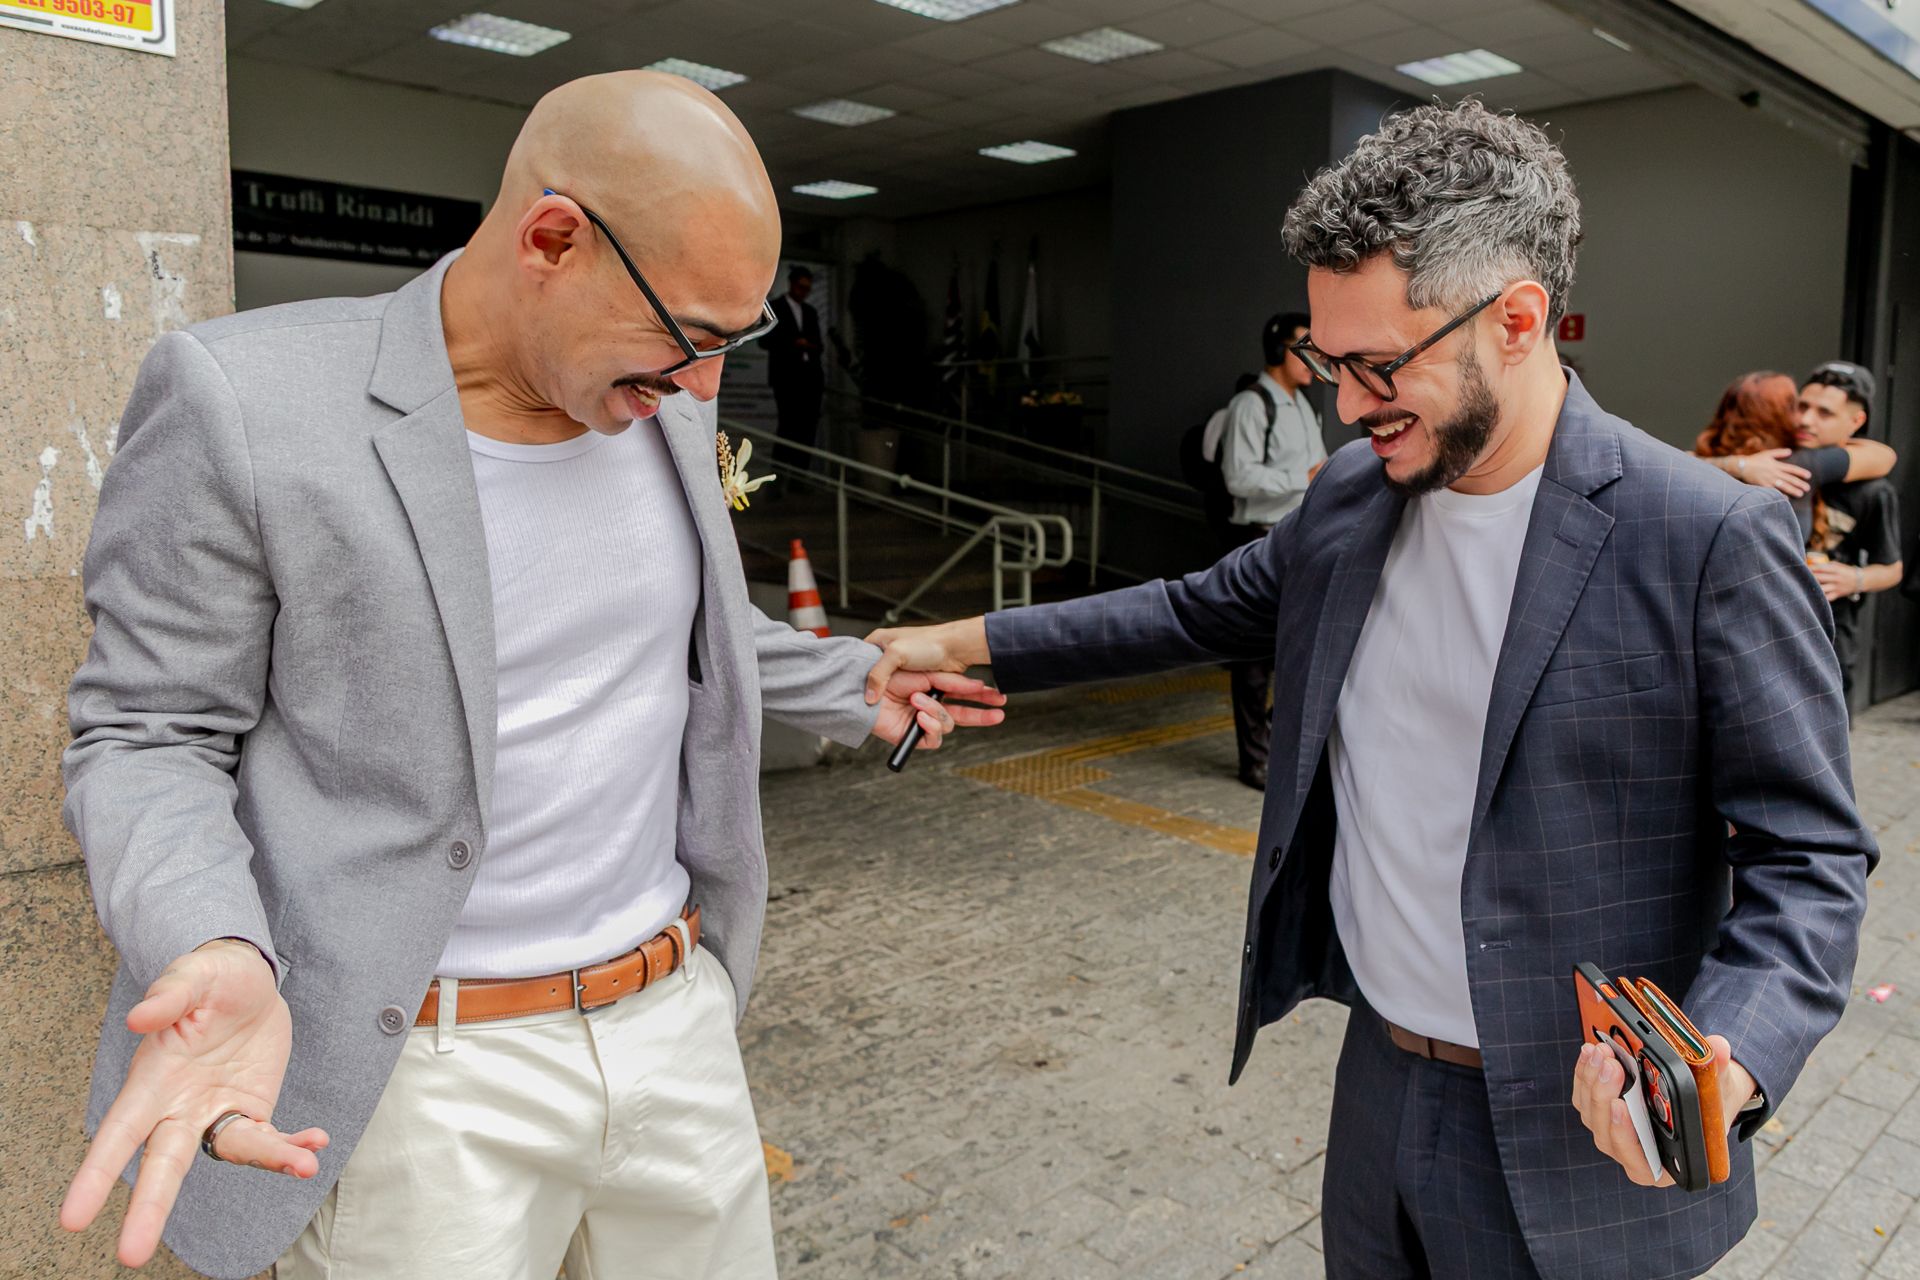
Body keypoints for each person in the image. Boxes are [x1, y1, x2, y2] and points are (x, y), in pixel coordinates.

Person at [863, 100, 1875, 1279]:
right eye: (1329, 359)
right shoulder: (1354, 496)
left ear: (1517, 320)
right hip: (1379, 1092)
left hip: (1583, 1149)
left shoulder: (1703, 536)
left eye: (1377, 364)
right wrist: (958, 641)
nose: (1344, 402)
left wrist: (1725, 1058)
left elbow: (1812, 855)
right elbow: (1189, 610)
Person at [56, 72, 1004, 1280]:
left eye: (737, 340)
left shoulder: (650, 398)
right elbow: (147, 729)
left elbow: (671, 629)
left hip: (674, 1023)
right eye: (691, 335)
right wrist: (210, 937)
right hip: (423, 1076)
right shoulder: (245, 400)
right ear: (553, 239)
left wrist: (849, 679)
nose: (706, 386)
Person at [1216, 311, 1327, 790]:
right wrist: (1301, 479)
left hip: (1299, 538)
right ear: (1279, 349)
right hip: (1257, 539)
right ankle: (1254, 760)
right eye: (1306, 348)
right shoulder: (1251, 404)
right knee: (1253, 660)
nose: (1315, 359)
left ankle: (1271, 740)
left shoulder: (1303, 405)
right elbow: (1237, 477)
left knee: (1304, 650)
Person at [1795, 361, 1905, 702]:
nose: (1806, 420)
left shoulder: (1873, 491)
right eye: (1802, 406)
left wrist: (1854, 578)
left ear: (1856, 422)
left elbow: (1892, 569)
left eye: (1824, 413)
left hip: (1830, 635)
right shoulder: (1773, 461)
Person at [1691, 369, 1895, 548]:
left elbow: (1682, 461)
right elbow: (1885, 456)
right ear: (1775, 416)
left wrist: (1736, 464)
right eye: (1798, 407)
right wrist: (1742, 466)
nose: (1804, 420)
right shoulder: (1796, 463)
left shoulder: (1706, 460)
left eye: (1824, 412)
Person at [759, 262, 826, 466]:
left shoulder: (810, 311)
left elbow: (819, 345)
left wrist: (807, 345)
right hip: (786, 377)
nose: (803, 292)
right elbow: (764, 341)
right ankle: (780, 473)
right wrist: (793, 344)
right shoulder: (775, 307)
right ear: (791, 284)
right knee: (788, 426)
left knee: (808, 428)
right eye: (800, 287)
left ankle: (800, 475)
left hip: (810, 377)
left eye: (807, 289)